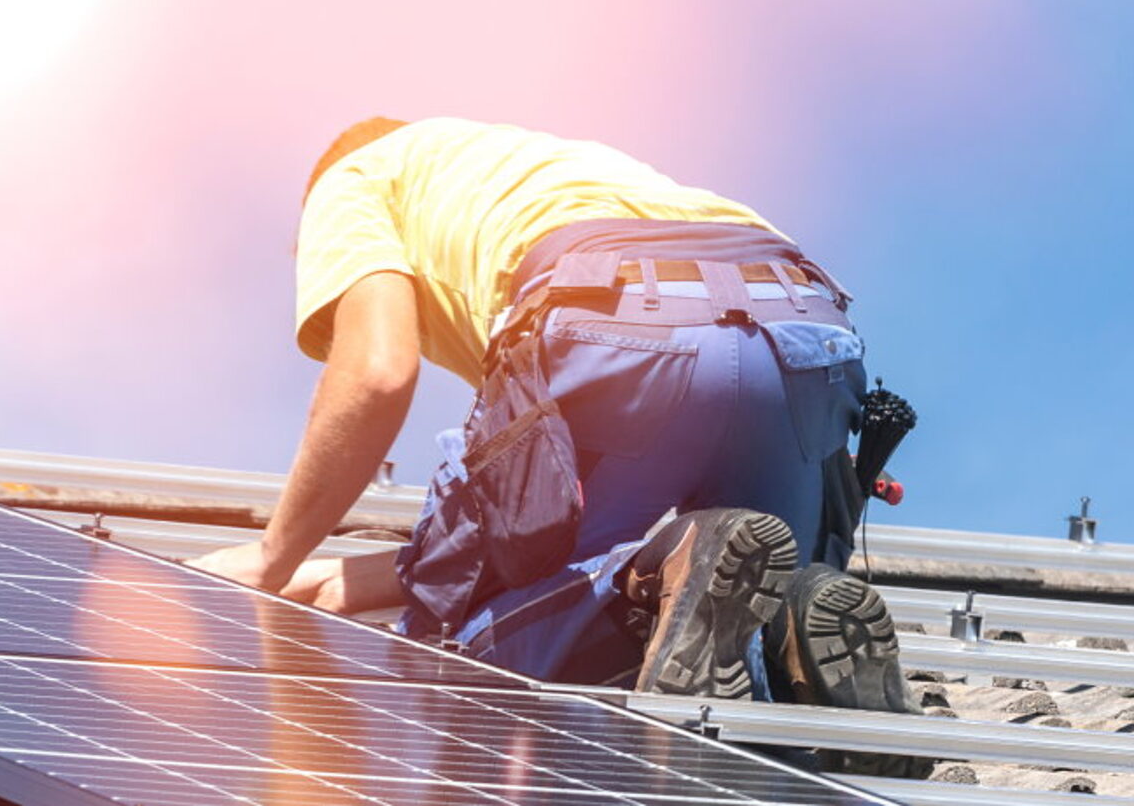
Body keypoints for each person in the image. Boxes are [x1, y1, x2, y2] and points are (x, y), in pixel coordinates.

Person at [189, 117, 916, 718]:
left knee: (476, 653)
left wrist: (272, 558)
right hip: (802, 323)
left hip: (614, 315)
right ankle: (798, 645)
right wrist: (323, 583)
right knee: (754, 601)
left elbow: (376, 374)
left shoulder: (353, 177)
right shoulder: (549, 166)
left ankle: (656, 565)